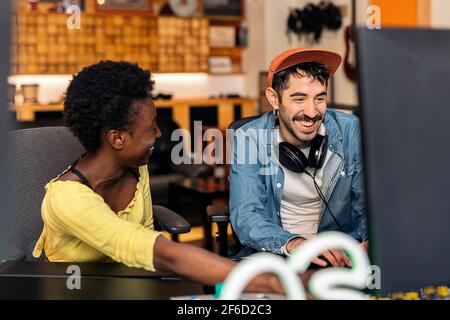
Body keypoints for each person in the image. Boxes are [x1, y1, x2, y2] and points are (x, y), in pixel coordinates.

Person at [32, 61, 281, 293]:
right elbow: (163, 253)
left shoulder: (135, 167)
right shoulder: (66, 199)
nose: (160, 134)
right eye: (151, 127)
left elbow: (147, 244)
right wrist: (274, 282)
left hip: (128, 285)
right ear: (118, 139)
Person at [229, 48, 368, 268]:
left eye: (319, 98)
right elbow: (246, 216)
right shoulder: (250, 138)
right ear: (274, 99)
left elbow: (369, 205)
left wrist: (369, 244)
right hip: (278, 254)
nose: (311, 112)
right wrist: (295, 244)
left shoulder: (351, 131)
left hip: (340, 255)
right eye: (299, 98)